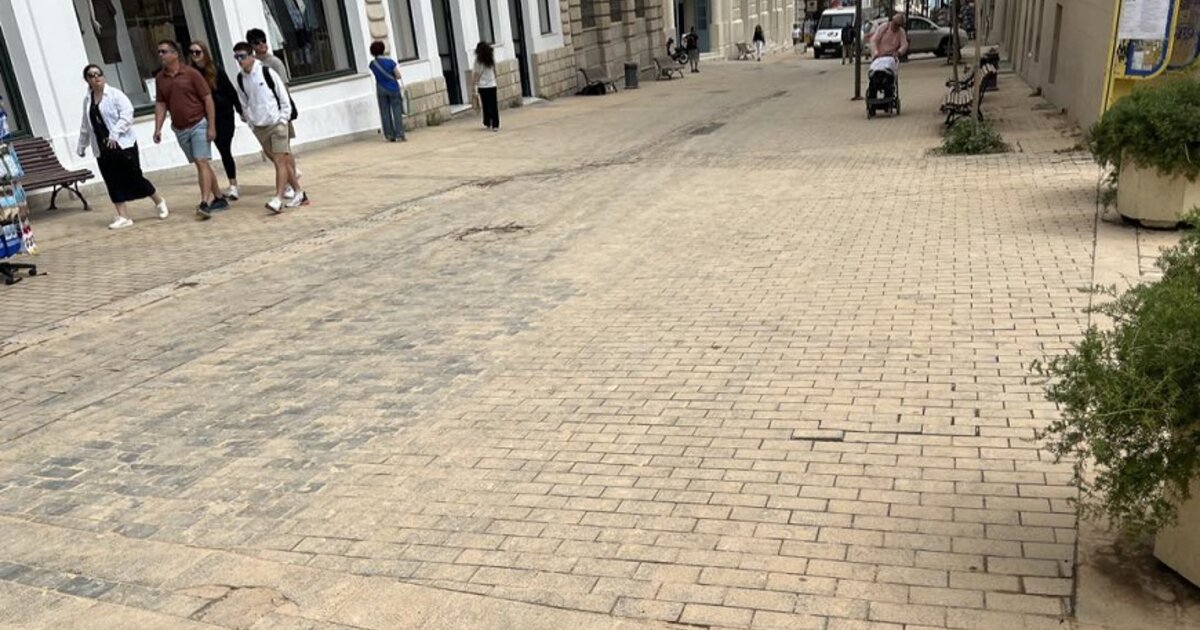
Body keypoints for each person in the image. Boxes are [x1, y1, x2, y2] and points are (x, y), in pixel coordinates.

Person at [76, 64, 168, 229]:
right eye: (92, 75)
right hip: (102, 147)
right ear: (87, 80)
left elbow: (127, 114)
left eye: (98, 74)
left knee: (134, 176)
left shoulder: (115, 95)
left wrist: (115, 133)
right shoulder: (88, 100)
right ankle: (123, 216)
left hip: (122, 145)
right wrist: (82, 145)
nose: (96, 78)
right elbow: (86, 124)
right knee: (112, 180)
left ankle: (158, 201)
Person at [152, 39, 227, 219]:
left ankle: (204, 203)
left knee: (201, 161)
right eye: (159, 52)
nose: (161, 55)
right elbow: (161, 104)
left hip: (198, 123)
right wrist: (157, 128)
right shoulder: (160, 78)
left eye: (164, 51)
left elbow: (207, 99)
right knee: (201, 163)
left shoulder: (192, 74)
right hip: (180, 128)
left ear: (175, 54)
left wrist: (211, 126)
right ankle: (219, 197)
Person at [232, 41, 307, 213]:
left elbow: (283, 96)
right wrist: (251, 123)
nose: (240, 61)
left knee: (280, 161)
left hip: (276, 124)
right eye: (236, 57)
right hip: (260, 127)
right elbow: (244, 104)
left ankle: (277, 198)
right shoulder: (240, 79)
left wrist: (283, 120)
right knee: (280, 161)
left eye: (242, 56)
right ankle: (299, 192)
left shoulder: (267, 72)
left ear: (251, 56)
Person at [247, 28, 301, 198]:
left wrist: (285, 114)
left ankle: (291, 182)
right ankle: (290, 178)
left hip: (279, 113)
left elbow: (284, 88)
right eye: (257, 42)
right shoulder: (252, 65)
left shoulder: (274, 63)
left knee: (284, 150)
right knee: (273, 152)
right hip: (264, 115)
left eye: (263, 40)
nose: (262, 45)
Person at [188, 40, 242, 201]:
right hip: (204, 116)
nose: (195, 55)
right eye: (192, 52)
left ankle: (233, 184)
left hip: (223, 114)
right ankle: (217, 188)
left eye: (198, 52)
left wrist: (240, 110)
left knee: (224, 149)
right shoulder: (191, 73)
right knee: (205, 155)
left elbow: (230, 91)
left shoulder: (215, 70)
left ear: (205, 53)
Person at [368, 41, 406, 142]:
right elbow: (398, 75)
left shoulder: (372, 64)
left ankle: (389, 135)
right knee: (396, 111)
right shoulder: (390, 62)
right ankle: (399, 134)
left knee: (384, 112)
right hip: (393, 88)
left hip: (380, 88)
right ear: (383, 50)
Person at [472, 42, 499, 132]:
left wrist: (474, 85)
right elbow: (495, 70)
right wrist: (494, 79)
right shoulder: (491, 58)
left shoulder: (478, 61)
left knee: (486, 104)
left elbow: (476, 74)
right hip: (492, 84)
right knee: (493, 105)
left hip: (482, 86)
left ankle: (487, 121)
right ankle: (495, 124)